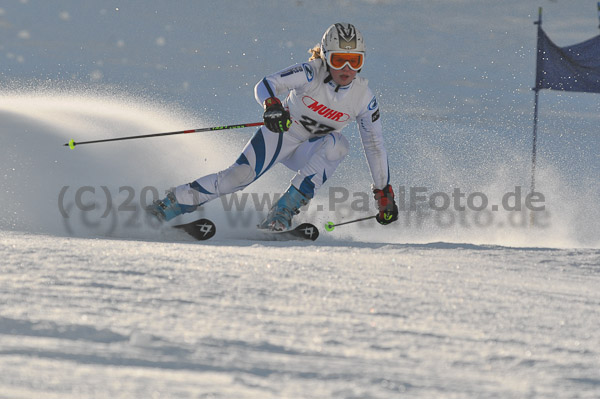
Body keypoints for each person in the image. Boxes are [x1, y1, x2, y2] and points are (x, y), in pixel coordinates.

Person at [148, 23, 399, 231]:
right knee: (235, 179)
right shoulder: (310, 72)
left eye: (354, 61)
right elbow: (267, 83)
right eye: (339, 59)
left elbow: (374, 145)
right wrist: (272, 105)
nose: (346, 69)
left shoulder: (363, 97)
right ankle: (166, 207)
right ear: (325, 56)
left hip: (310, 152)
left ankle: (282, 212)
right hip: (281, 133)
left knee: (339, 144)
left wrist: (383, 191)